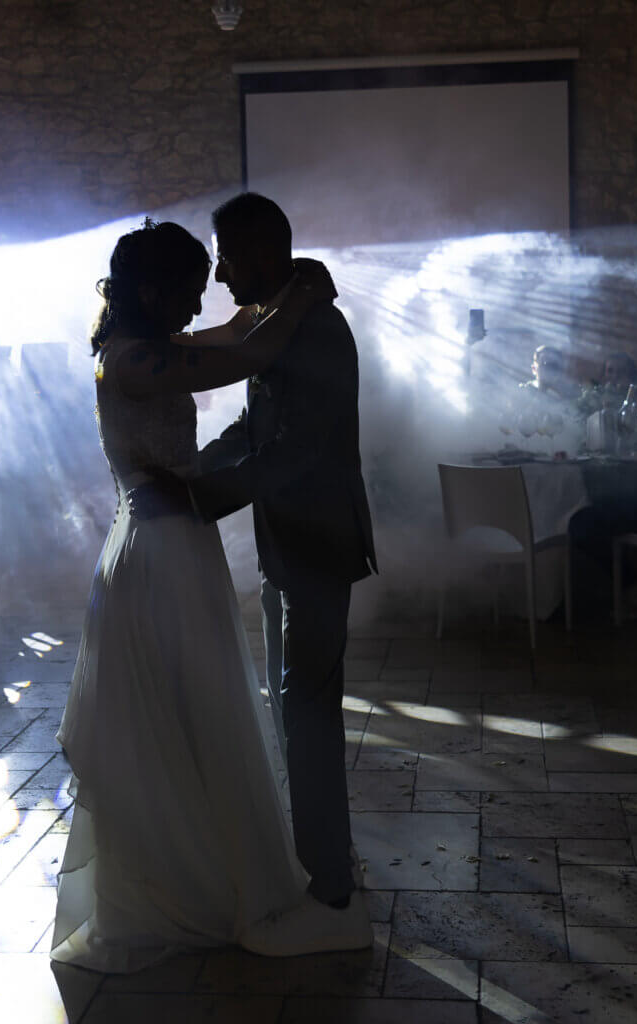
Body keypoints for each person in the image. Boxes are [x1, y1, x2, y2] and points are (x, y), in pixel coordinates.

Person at [51, 217, 339, 973]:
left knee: (187, 720)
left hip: (173, 547)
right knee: (184, 718)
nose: (198, 298)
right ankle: (182, 888)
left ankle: (201, 872)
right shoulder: (133, 362)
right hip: (157, 556)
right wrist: (304, 300)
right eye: (186, 287)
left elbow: (238, 327)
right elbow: (249, 352)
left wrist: (292, 285)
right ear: (150, 289)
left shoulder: (151, 347)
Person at [127, 195, 378, 957]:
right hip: (288, 545)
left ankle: (332, 896)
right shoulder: (286, 322)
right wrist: (194, 468)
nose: (223, 274)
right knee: (293, 711)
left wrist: (200, 496)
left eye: (229, 256)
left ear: (263, 250)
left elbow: (297, 450)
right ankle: (321, 862)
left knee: (307, 716)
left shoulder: (315, 329)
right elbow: (256, 425)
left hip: (315, 546)